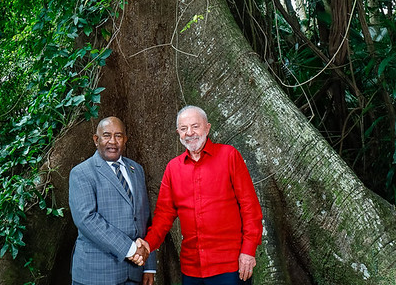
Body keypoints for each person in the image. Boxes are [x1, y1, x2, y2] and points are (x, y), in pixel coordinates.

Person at [136, 106, 263, 285]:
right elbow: (164, 215)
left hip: (230, 265)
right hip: (192, 268)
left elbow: (250, 207)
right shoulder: (173, 168)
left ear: (207, 128)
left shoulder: (229, 156)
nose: (190, 133)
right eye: (183, 128)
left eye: (195, 126)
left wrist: (248, 251)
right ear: (178, 132)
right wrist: (148, 244)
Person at [69, 116, 156, 285]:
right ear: (96, 139)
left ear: (125, 140)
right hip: (96, 275)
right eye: (107, 135)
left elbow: (145, 218)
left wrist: (148, 265)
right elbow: (87, 220)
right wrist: (130, 250)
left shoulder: (136, 170)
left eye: (118, 136)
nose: (113, 141)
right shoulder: (82, 173)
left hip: (135, 272)